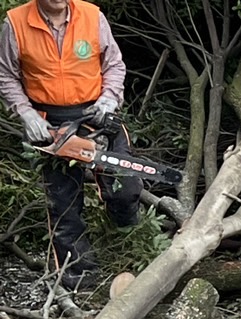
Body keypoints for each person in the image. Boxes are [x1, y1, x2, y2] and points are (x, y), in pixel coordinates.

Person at [0, 0, 140, 290]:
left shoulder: (92, 16)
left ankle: (128, 246)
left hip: (96, 113)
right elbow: (6, 75)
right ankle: (79, 277)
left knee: (125, 186)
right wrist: (25, 112)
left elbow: (114, 64)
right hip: (50, 121)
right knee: (64, 207)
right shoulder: (15, 23)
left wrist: (109, 99)